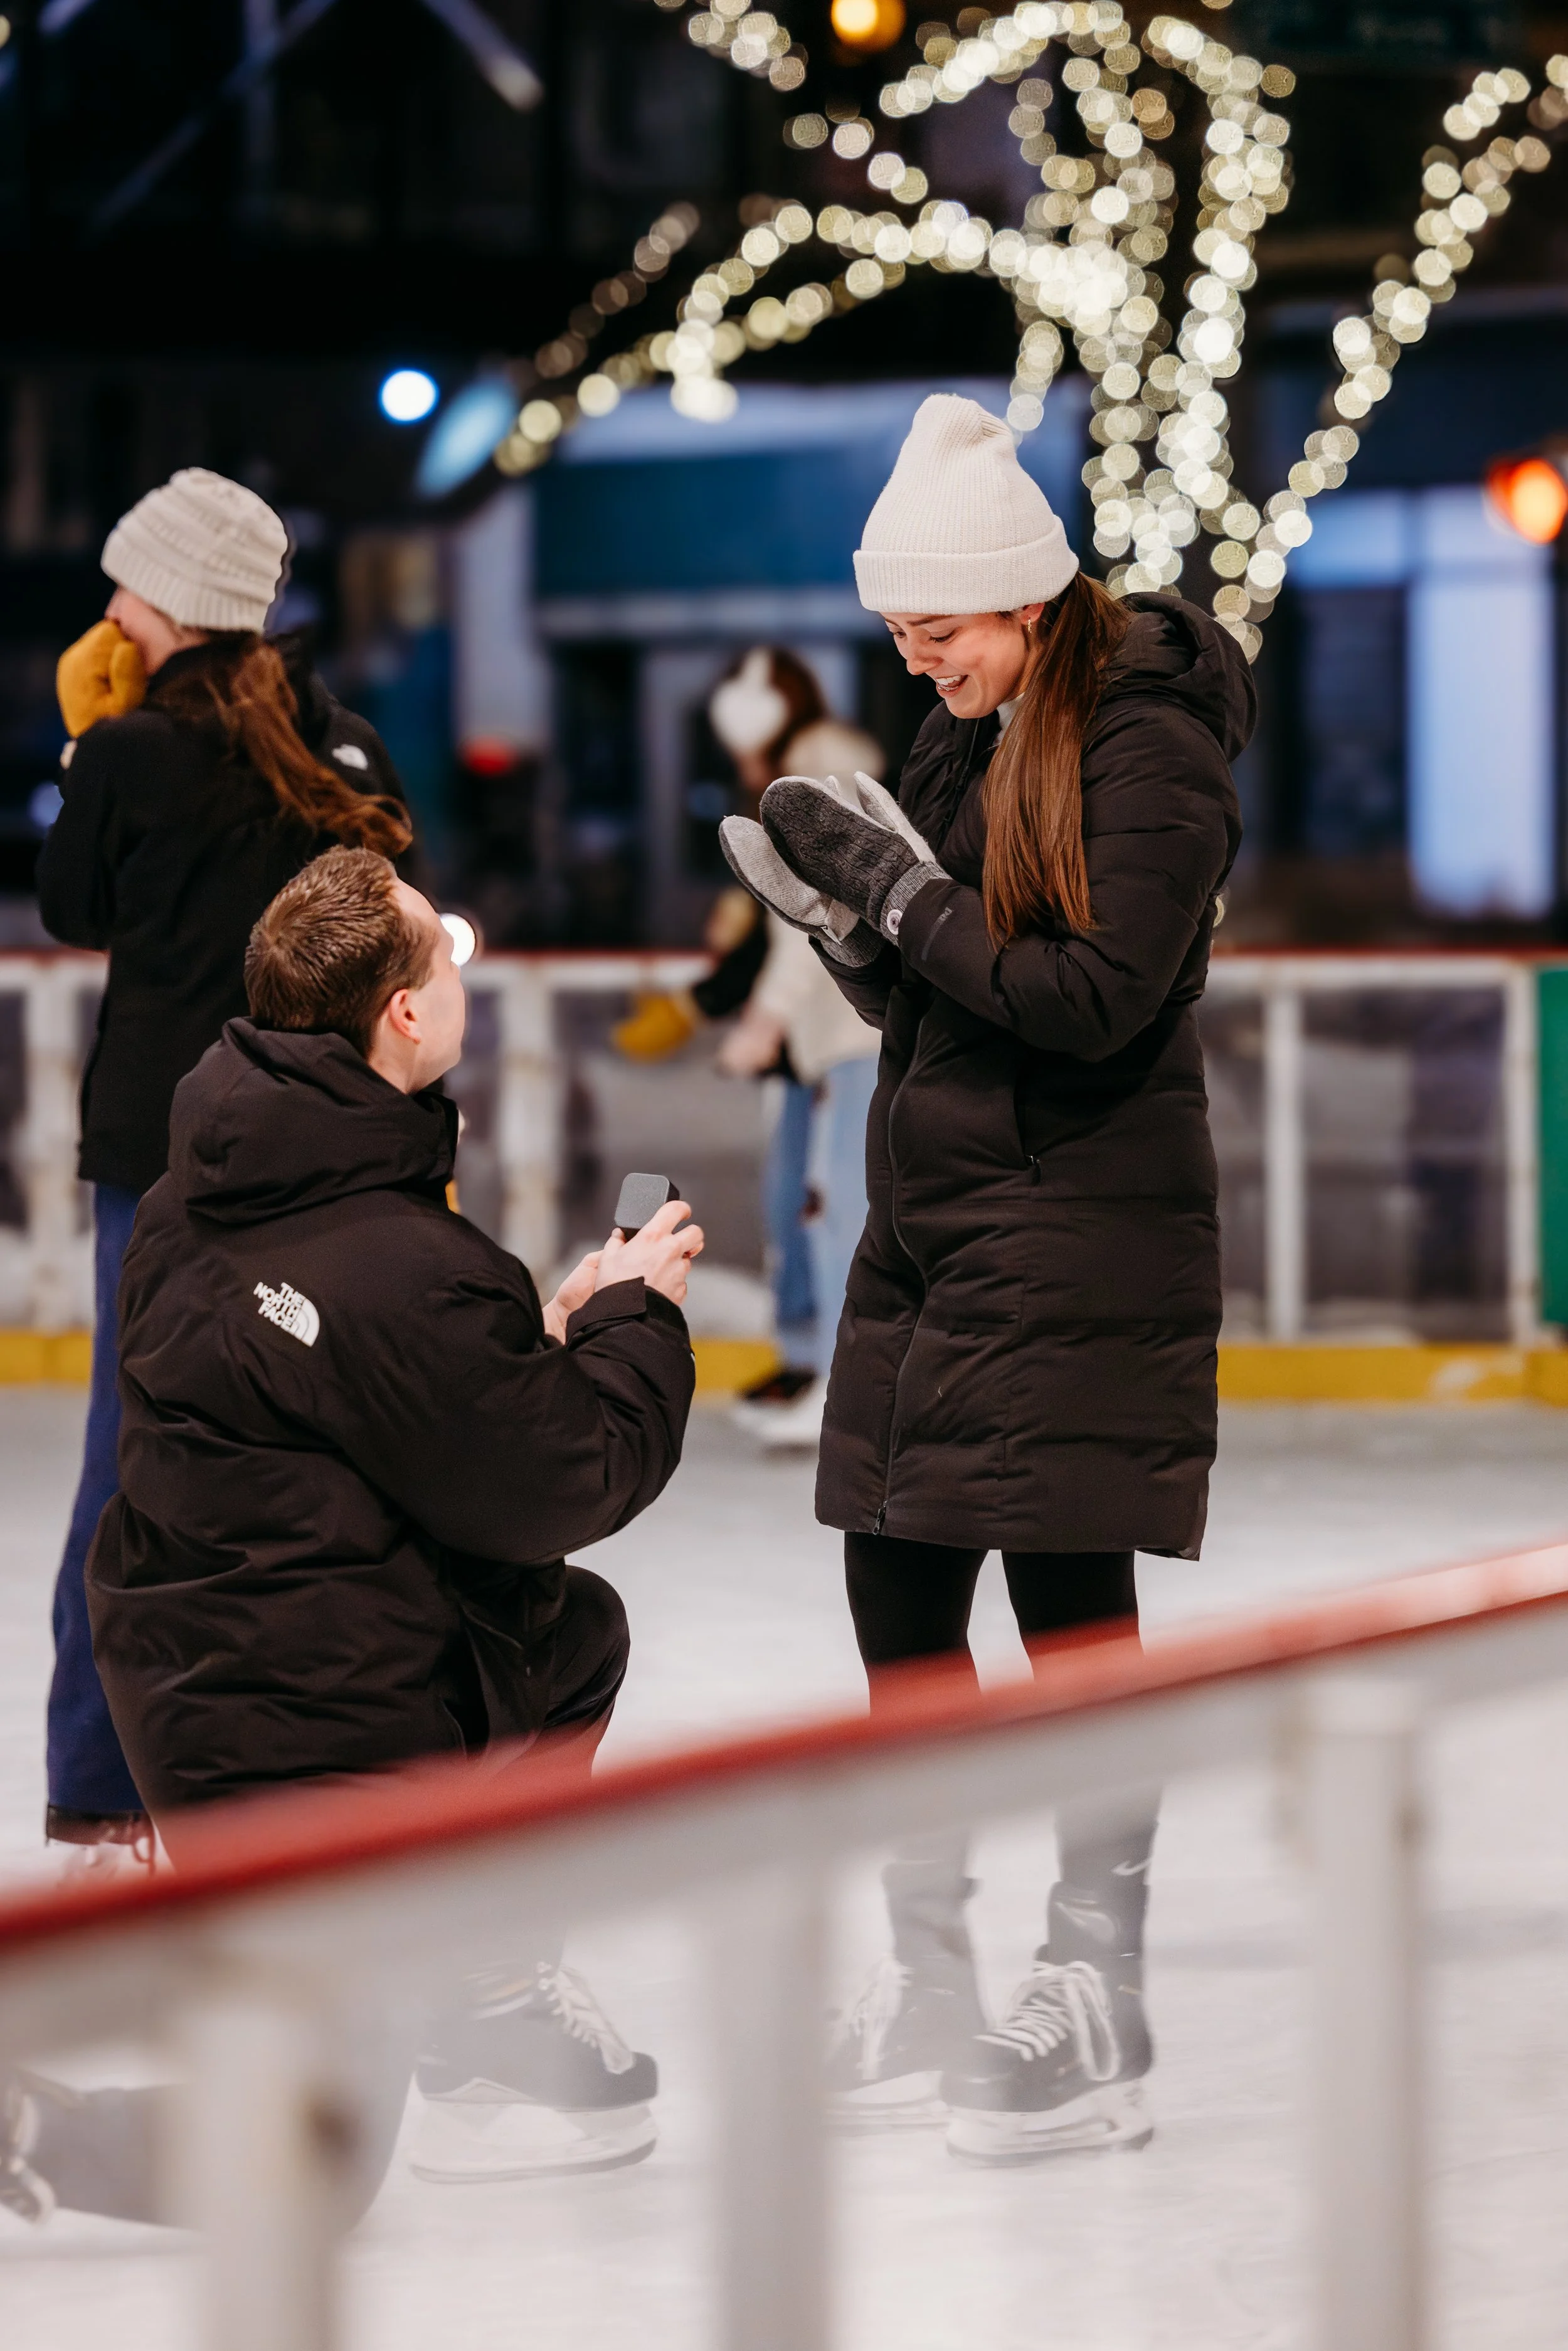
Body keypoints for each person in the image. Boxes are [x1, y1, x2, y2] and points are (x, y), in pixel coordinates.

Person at [1, 846, 703, 2224]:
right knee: (310, 2158)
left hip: (187, 1696)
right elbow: (568, 1474)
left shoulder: (187, 1201)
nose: (464, 949)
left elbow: (371, 1403)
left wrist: (537, 1336)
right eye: (440, 947)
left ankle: (472, 1985)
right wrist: (636, 1316)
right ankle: (33, 2125)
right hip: (315, 1728)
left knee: (572, 1639)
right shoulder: (403, 1263)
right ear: (399, 1015)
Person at [721, 394, 1250, 2161]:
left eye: (934, 624)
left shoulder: (1145, 741)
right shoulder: (968, 728)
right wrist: (857, 944)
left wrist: (890, 889)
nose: (911, 653)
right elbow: (959, 984)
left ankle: (1097, 1993)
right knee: (901, 1605)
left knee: (1069, 1619)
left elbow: (1094, 994)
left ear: (1024, 598)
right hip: (936, 1228)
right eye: (894, 627)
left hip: (1075, 1226)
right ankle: (930, 1974)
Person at [36, 467, 423, 1865]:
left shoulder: (137, 748)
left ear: (168, 604)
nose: (111, 608)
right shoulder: (346, 747)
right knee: (315, 1458)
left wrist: (91, 745)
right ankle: (303, 1774)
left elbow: (74, 907)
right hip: (320, 1144)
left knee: (130, 1462)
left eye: (126, 588)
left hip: (160, 1153)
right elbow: (401, 907)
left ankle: (101, 1788)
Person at [615, 647, 884, 1444]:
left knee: (835, 1208)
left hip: (847, 1027)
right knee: (801, 1203)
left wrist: (763, 1014)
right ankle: (815, 1368)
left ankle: (849, 1384)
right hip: (825, 1033)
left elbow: (819, 905)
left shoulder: (816, 766)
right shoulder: (803, 766)